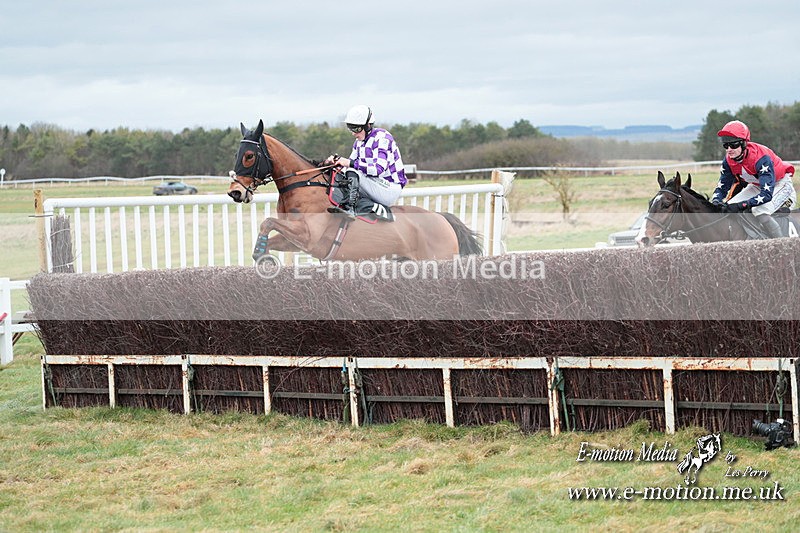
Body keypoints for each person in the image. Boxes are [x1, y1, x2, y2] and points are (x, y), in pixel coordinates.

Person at [711, 120, 796, 238]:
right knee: (729, 206)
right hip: (757, 185)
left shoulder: (761, 158)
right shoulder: (728, 160)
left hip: (780, 185)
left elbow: (766, 195)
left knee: (759, 211)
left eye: (733, 145)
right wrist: (715, 202)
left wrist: (742, 205)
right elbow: (722, 187)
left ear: (744, 143)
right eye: (726, 145)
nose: (729, 149)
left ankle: (781, 246)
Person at [325, 105, 407, 219]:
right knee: (344, 173)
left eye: (356, 129)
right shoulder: (358, 142)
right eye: (351, 128)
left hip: (389, 188)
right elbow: (348, 165)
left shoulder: (382, 137)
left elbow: (378, 169)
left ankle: (351, 208)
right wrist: (334, 163)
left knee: (352, 170)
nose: (353, 133)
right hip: (374, 184)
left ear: (368, 126)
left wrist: (347, 163)